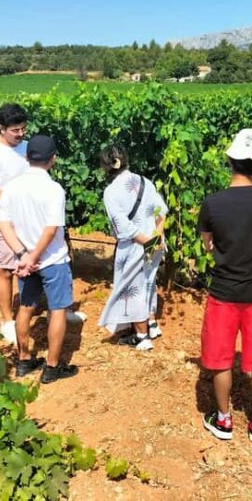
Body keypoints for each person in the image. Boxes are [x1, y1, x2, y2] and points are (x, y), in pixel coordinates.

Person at [198, 128, 252, 443]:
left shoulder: (213, 203)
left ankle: (223, 421)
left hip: (223, 292)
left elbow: (208, 244)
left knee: (221, 358)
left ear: (230, 161)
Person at [0, 103, 84, 345]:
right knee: (7, 271)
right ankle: (7, 321)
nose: (21, 134)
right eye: (15, 130)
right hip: (5, 227)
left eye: (24, 128)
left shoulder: (26, 148)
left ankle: (59, 310)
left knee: (45, 266)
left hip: (31, 222)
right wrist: (17, 192)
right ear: (1, 128)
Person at [0, 135, 79, 384]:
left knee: (25, 307)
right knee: (57, 310)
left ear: (26, 157)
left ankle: (24, 361)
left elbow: (4, 225)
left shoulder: (11, 188)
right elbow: (51, 229)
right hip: (52, 260)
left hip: (25, 262)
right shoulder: (54, 190)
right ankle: (52, 368)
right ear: (52, 159)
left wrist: (22, 255)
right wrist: (34, 256)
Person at [98, 145, 167, 351]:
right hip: (154, 240)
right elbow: (161, 211)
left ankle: (141, 336)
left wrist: (145, 241)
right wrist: (156, 237)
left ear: (106, 166)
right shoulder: (146, 181)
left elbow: (123, 226)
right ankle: (152, 323)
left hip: (135, 245)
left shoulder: (111, 192)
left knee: (132, 287)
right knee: (148, 281)